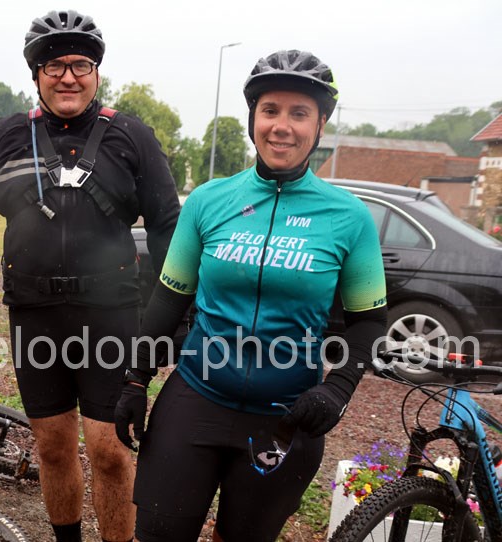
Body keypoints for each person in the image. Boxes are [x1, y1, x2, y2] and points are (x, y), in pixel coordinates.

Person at [0, 10, 180, 542]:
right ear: (36, 73)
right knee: (53, 448)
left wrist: (174, 316)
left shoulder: (131, 136)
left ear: (96, 72)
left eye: (80, 64)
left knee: (110, 451)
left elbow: (168, 230)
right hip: (35, 315)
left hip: (111, 316)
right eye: (54, 65)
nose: (68, 76)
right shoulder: (6, 136)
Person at [114, 50, 388, 542]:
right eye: (270, 110)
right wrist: (135, 379)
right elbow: (169, 298)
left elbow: (368, 321)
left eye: (299, 113)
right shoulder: (208, 201)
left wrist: (338, 388)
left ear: (320, 125)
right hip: (195, 399)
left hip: (285, 417)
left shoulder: (349, 217)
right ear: (253, 119)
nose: (282, 126)